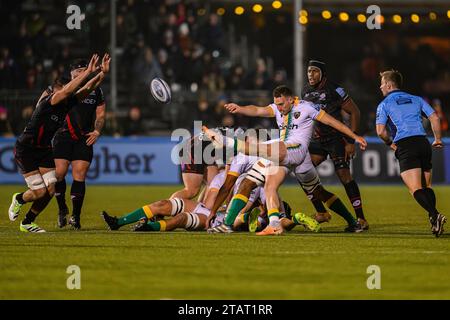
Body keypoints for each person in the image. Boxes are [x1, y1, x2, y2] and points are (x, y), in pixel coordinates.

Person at [204, 85, 367, 235]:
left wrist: (354, 137)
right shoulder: (277, 107)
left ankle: (226, 141)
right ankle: (230, 224)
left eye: (281, 104)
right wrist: (240, 109)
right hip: (287, 156)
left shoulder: (307, 108)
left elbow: (335, 123)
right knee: (255, 183)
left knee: (265, 149)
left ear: (290, 99)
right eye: (277, 104)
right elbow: (257, 110)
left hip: (297, 151)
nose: (279, 108)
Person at [8, 54, 108, 232]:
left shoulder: (66, 104)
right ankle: (20, 199)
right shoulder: (50, 101)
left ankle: (27, 222)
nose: (67, 92)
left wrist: (101, 74)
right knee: (39, 192)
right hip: (27, 149)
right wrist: (89, 72)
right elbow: (69, 91)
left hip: (44, 149)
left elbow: (85, 90)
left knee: (51, 189)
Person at [376, 69, 446, 237]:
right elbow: (435, 117)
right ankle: (434, 220)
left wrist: (389, 143)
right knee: (427, 186)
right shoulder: (417, 99)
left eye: (382, 83)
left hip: (405, 144)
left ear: (389, 85)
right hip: (423, 142)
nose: (380, 87)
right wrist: (437, 139)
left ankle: (436, 215)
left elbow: (380, 132)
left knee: (415, 189)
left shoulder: (385, 104)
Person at [302, 60, 369, 229]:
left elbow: (355, 112)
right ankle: (321, 212)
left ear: (323, 74)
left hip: (336, 139)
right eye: (309, 71)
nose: (310, 74)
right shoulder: (305, 91)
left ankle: (361, 219)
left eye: (314, 71)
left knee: (345, 177)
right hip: (317, 140)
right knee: (303, 172)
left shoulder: (335, 89)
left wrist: (350, 141)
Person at [53, 56, 109, 229]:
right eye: (77, 71)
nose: (80, 73)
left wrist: (97, 130)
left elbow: (100, 114)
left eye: (83, 70)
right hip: (62, 135)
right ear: (71, 74)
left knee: (80, 175)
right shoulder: (64, 88)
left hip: (84, 137)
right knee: (59, 174)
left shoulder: (96, 91)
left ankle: (75, 216)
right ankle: (62, 208)